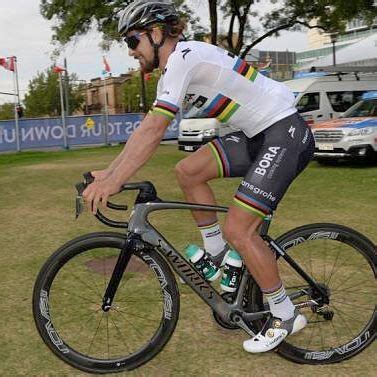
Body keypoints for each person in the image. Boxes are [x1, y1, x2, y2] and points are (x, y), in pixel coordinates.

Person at [83, 0, 315, 353]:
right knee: (188, 170)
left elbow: (154, 129)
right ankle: (218, 254)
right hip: (259, 136)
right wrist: (111, 172)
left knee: (240, 228)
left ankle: (284, 314)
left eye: (132, 42)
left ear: (156, 34)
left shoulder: (184, 58)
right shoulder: (176, 65)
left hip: (284, 134)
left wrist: (115, 181)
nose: (130, 52)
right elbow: (147, 127)